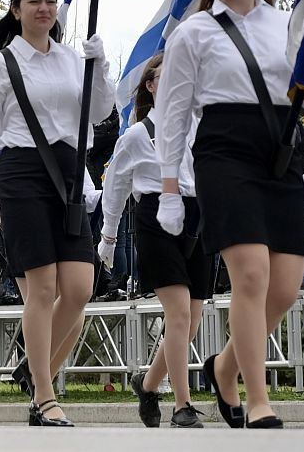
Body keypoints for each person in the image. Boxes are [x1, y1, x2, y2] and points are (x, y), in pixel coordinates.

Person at [154, 0, 304, 429]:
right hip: (224, 150)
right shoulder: (194, 32)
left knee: (284, 288)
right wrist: (170, 189)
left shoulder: (289, 26)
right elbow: (174, 112)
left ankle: (225, 367)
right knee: (250, 276)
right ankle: (258, 397)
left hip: (282, 150)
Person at [0, 0, 112, 427]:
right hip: (22, 173)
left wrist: (99, 67)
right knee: (42, 289)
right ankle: (44, 395)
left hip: (68, 173)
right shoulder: (0, 64)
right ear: (17, 9)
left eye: (49, 1)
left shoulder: (71, 58)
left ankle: (36, 368)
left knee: (81, 288)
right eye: (34, 1)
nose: (44, 8)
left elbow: (101, 112)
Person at [99, 52, 206, 428]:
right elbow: (115, 187)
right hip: (156, 216)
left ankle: (147, 384)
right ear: (150, 85)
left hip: (195, 215)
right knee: (178, 314)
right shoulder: (137, 134)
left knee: (192, 319)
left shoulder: (199, 124)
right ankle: (183, 405)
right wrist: (109, 236)